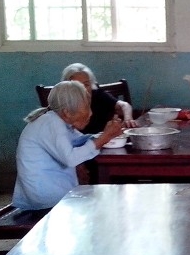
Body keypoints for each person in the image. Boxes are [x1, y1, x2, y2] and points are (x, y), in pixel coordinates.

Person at [13, 80, 125, 210]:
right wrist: (104, 137)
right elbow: (71, 158)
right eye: (86, 107)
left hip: (50, 193)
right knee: (103, 204)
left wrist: (106, 135)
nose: (90, 113)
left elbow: (79, 140)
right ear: (67, 112)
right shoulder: (52, 123)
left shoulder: (58, 121)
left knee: (102, 200)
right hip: (45, 198)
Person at [61, 63, 138, 133]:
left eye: (86, 84)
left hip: (108, 140)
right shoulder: (64, 104)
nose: (83, 89)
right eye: (77, 85)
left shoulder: (98, 95)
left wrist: (128, 119)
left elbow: (124, 105)